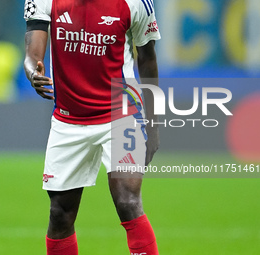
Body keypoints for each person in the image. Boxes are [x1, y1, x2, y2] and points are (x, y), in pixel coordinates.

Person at [23, 0, 161, 254]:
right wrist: (33, 73)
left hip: (122, 113)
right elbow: (32, 57)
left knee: (127, 201)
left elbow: (148, 59)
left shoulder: (135, 3)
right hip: (68, 120)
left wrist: (153, 124)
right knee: (60, 214)